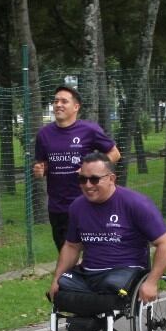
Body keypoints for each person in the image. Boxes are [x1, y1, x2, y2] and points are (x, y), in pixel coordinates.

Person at [48, 152, 166, 326]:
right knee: (62, 287)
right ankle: (86, 324)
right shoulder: (77, 207)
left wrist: (152, 282)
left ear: (111, 178)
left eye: (94, 179)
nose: (87, 185)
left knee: (110, 285)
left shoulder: (136, 204)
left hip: (124, 271)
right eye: (82, 179)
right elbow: (71, 246)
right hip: (90, 272)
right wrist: (57, 279)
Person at [34, 86, 121, 252]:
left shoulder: (89, 130)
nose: (58, 104)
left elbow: (114, 154)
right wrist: (40, 170)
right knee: (66, 255)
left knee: (94, 254)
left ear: (76, 107)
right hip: (58, 207)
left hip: (87, 202)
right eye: (55, 101)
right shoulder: (44, 134)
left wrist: (92, 171)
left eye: (64, 101)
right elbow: (43, 165)